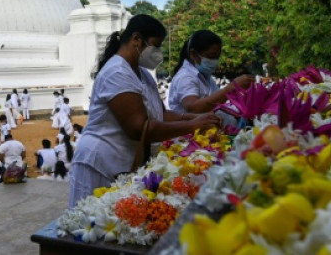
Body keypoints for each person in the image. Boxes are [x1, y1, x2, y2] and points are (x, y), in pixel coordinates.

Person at [68, 15, 222, 208]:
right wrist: (191, 125)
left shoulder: (143, 75)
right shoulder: (117, 72)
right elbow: (139, 128)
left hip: (124, 164)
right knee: (90, 223)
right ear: (136, 40)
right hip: (100, 164)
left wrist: (191, 117)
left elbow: (161, 114)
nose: (158, 53)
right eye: (155, 46)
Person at [167, 29, 255, 127]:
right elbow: (193, 108)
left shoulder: (205, 77)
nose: (215, 61)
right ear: (193, 54)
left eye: (217, 57)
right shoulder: (185, 77)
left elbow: (218, 103)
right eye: (211, 56)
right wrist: (232, 87)